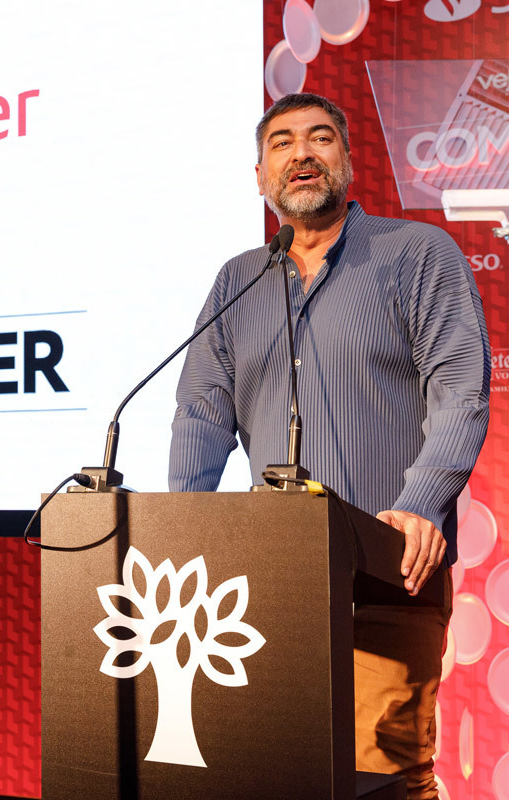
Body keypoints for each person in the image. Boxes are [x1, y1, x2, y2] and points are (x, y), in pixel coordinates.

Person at [168, 93, 490, 800]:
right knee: (280, 771)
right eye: (282, 143)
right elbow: (200, 411)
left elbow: (460, 390)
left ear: (347, 161)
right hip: (268, 581)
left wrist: (420, 504)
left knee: (381, 775)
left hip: (389, 563)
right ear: (260, 176)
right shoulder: (238, 280)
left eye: (320, 139)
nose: (302, 153)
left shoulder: (414, 253)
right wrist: (180, 525)